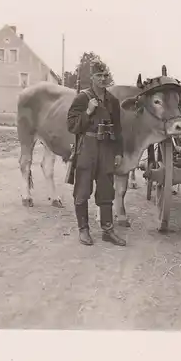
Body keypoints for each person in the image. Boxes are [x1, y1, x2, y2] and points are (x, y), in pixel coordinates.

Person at [67, 60, 126, 247]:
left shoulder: (113, 101)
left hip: (107, 148)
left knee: (107, 190)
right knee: (82, 190)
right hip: (88, 148)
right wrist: (88, 112)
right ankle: (83, 230)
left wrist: (118, 152)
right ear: (91, 77)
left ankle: (107, 230)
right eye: (98, 76)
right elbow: (72, 126)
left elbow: (118, 128)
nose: (102, 79)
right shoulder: (82, 98)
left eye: (104, 75)